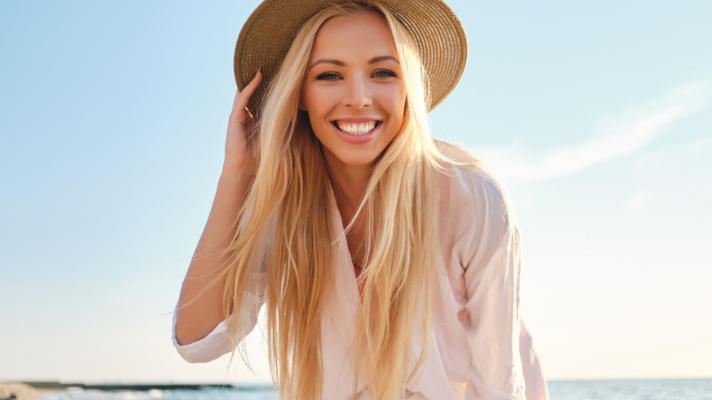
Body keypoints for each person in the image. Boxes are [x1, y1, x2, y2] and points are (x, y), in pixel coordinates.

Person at [172, 1, 549, 399]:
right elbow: (198, 342)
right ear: (300, 92)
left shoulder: (472, 200)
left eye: (383, 72)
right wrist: (237, 175)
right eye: (330, 75)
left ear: (410, 87)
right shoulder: (284, 207)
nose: (358, 97)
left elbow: (499, 383)